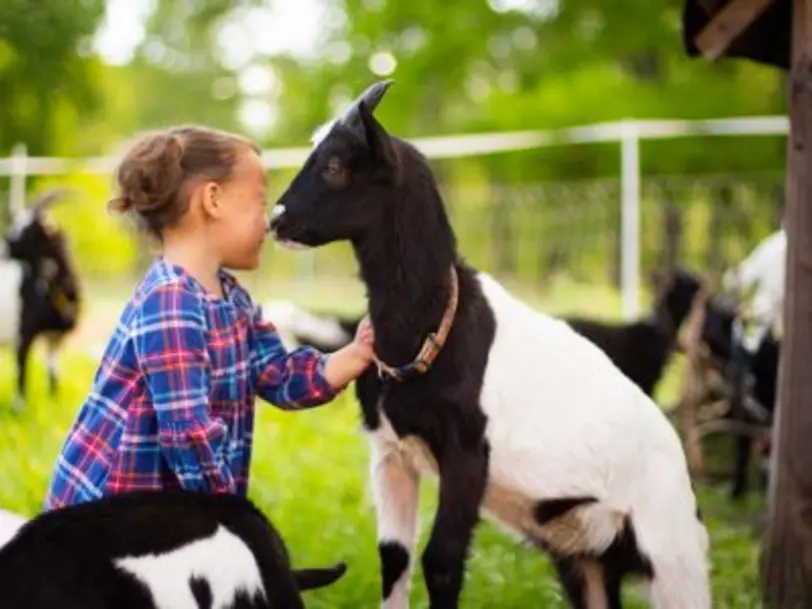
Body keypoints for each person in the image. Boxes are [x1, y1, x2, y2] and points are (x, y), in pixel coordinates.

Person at [43, 125, 375, 511]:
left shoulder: (232, 298)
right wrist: (231, 521)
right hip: (102, 519)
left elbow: (278, 376)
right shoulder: (171, 302)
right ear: (213, 200)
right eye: (259, 202)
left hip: (172, 513)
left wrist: (355, 354)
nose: (268, 222)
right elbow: (188, 435)